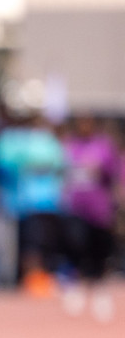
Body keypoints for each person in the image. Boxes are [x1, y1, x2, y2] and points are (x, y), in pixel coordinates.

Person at [0, 112, 66, 295]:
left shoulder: (45, 139)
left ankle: (39, 277)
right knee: (23, 245)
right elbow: (0, 165)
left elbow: (58, 164)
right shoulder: (7, 139)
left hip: (46, 204)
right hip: (17, 206)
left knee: (43, 243)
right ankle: (24, 278)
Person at [59, 116, 119, 321]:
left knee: (99, 249)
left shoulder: (104, 147)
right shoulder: (69, 146)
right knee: (76, 243)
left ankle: (99, 287)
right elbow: (62, 174)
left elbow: (115, 174)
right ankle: (77, 283)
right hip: (76, 207)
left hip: (100, 209)